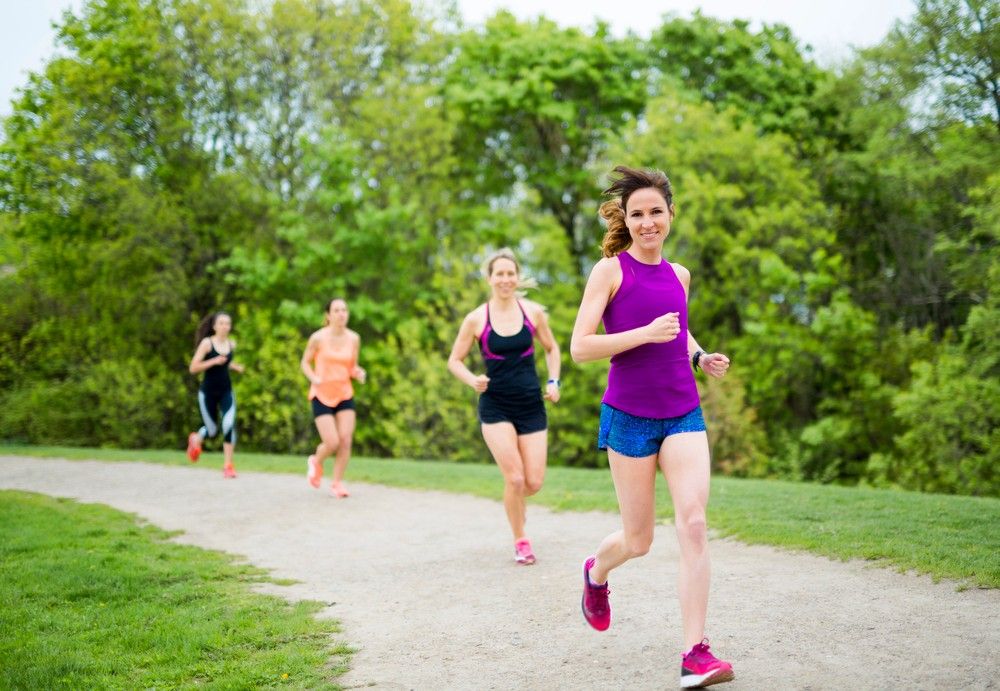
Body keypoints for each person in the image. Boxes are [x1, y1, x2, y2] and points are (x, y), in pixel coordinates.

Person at [570, 166, 734, 688]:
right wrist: (642, 333)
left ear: (670, 216)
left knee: (693, 523)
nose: (647, 223)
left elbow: (679, 332)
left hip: (683, 412)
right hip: (629, 417)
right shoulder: (610, 272)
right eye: (637, 214)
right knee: (638, 540)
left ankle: (694, 653)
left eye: (655, 213)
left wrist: (700, 354)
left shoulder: (680, 275)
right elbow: (580, 348)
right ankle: (597, 572)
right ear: (628, 218)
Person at [447, 248, 561, 565]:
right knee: (515, 479)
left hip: (530, 405)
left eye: (511, 273)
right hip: (495, 405)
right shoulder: (476, 319)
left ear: (517, 276)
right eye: (499, 273)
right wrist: (472, 380)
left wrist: (554, 381)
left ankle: (513, 501)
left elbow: (552, 350)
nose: (506, 279)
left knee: (532, 483)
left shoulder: (533, 313)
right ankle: (521, 540)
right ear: (489, 278)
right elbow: (454, 361)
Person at [301, 298, 366, 498]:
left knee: (345, 440)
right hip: (321, 394)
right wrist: (314, 377)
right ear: (328, 315)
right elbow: (304, 363)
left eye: (344, 310)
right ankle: (316, 461)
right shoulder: (318, 338)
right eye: (336, 310)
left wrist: (358, 373)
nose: (341, 314)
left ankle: (337, 483)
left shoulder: (354, 338)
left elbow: (352, 366)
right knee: (332, 442)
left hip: (344, 394)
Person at [186, 312, 245, 478]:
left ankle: (228, 465)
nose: (225, 326)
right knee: (211, 431)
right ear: (214, 326)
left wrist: (235, 366)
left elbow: (225, 362)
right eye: (221, 323)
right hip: (207, 394)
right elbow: (193, 367)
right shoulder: (207, 344)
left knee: (228, 425)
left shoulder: (231, 344)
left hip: (226, 391)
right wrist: (213, 361)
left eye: (228, 323)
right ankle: (196, 438)